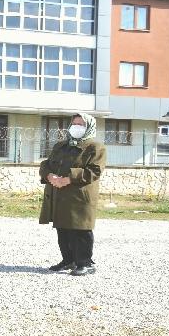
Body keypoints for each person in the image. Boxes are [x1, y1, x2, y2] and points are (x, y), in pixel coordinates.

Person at [39, 112, 107, 276]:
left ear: (89, 127)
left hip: (79, 196)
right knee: (62, 228)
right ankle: (68, 260)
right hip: (59, 194)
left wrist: (69, 179)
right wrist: (49, 176)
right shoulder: (61, 146)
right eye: (74, 123)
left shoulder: (95, 147)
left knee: (80, 229)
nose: (76, 127)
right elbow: (46, 164)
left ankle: (85, 263)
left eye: (81, 124)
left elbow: (94, 171)